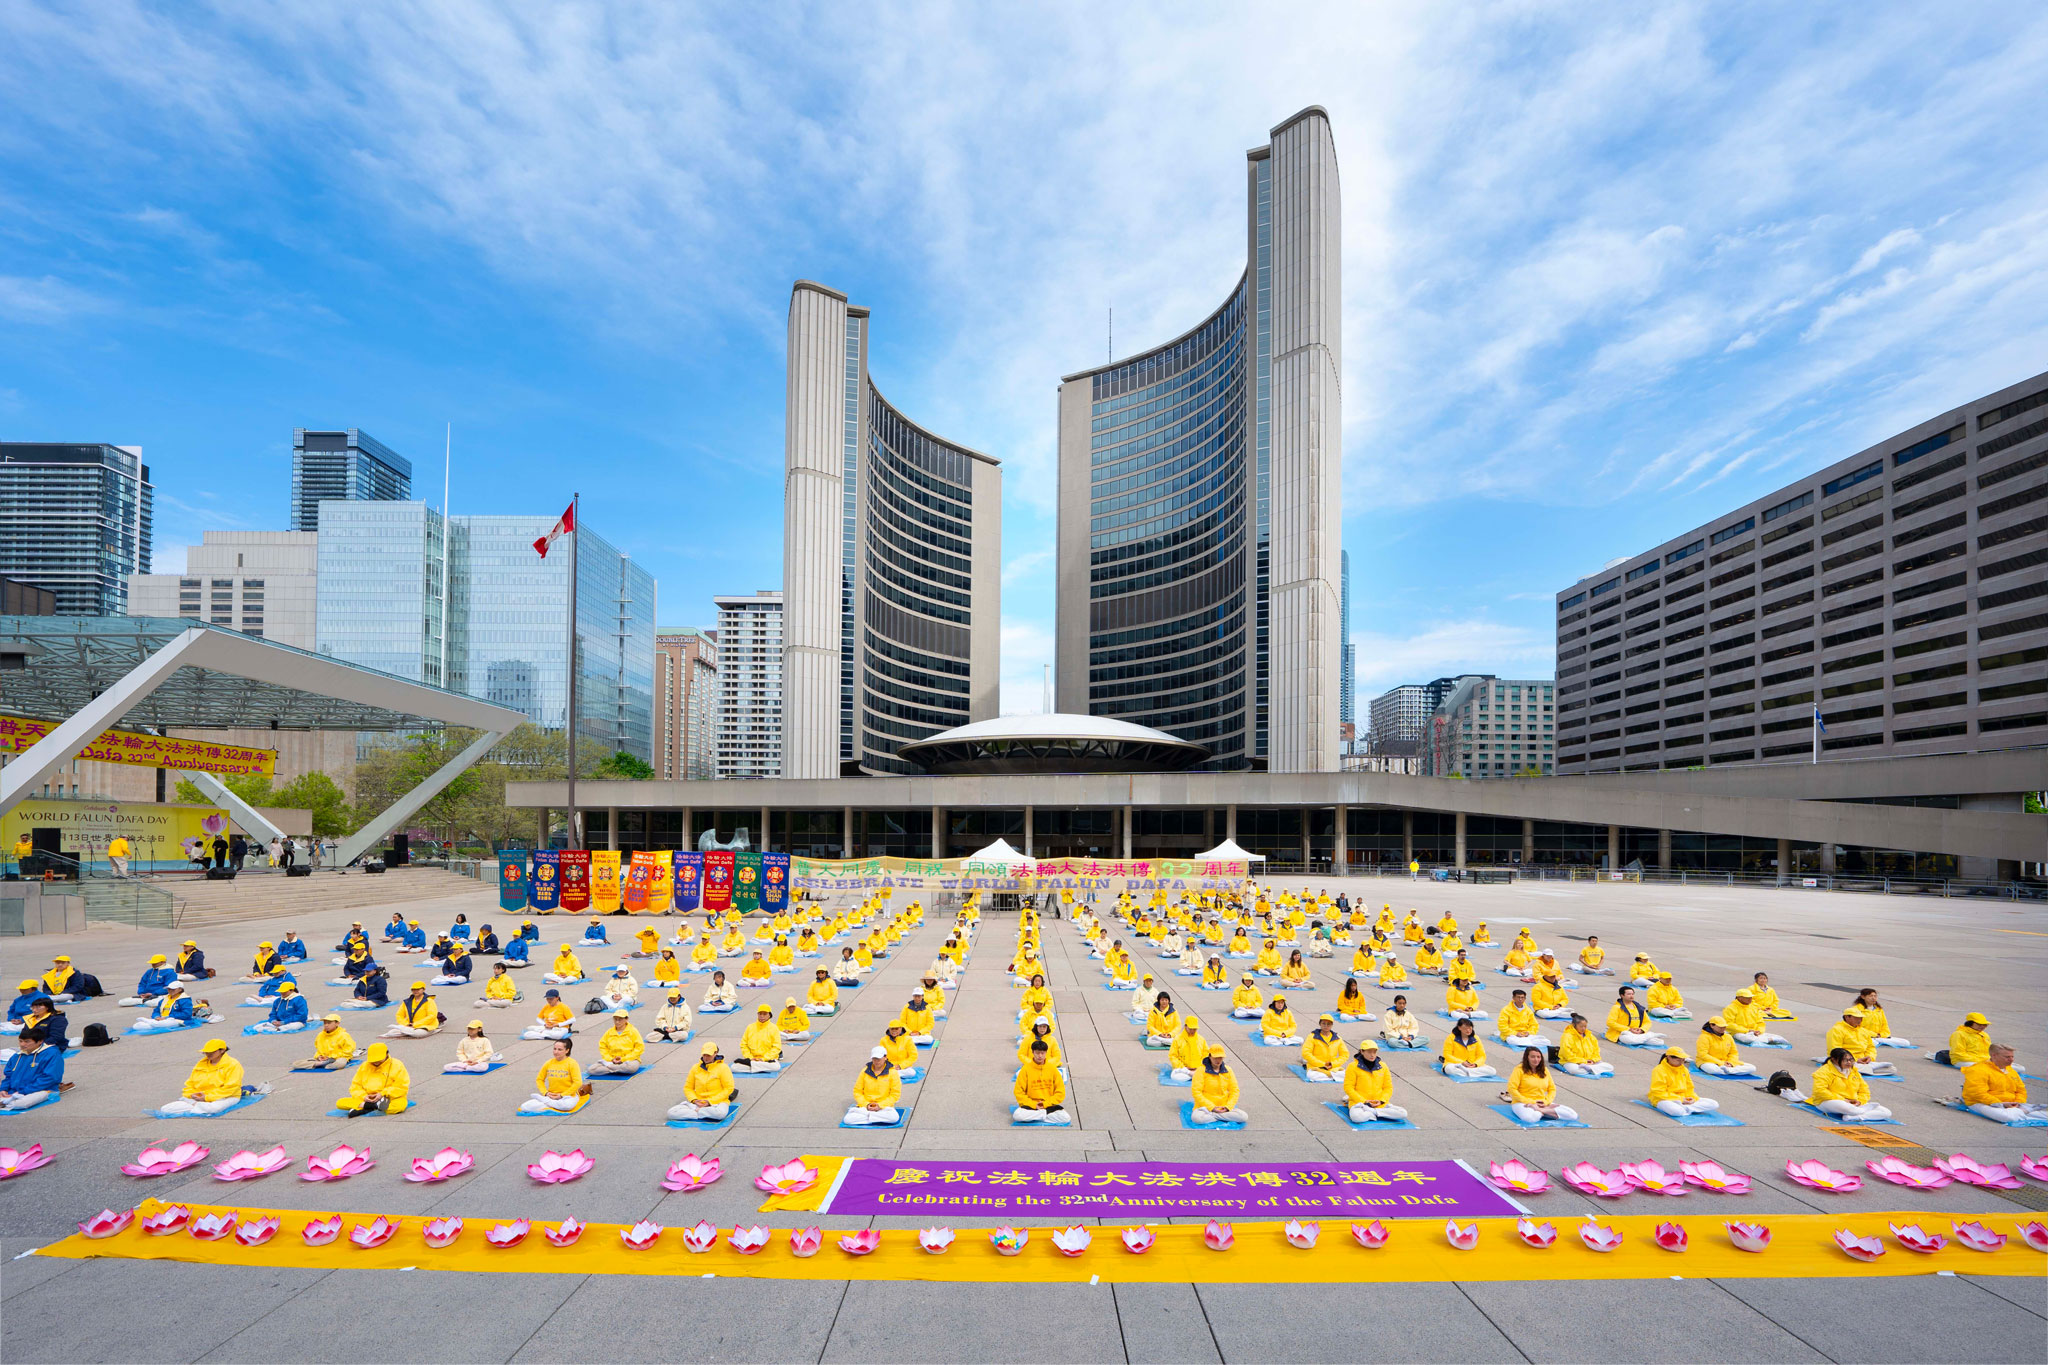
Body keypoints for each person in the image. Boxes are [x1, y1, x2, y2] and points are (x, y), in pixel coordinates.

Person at [1795, 1047, 1892, 1122]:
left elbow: (1864, 1090)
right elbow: (1820, 1091)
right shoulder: (1823, 1072)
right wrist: (1844, 1100)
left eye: (1851, 1060)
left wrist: (1860, 1101)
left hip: (1853, 1103)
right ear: (1834, 1060)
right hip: (1829, 1101)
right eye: (1846, 1060)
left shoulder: (1853, 1071)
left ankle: (1855, 1116)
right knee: (1846, 1107)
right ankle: (1862, 1110)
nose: (1849, 1063)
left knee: (1887, 1112)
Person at [158, 1040, 247, 1116]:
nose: (208, 1054)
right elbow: (190, 1083)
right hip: (200, 1097)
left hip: (225, 1097)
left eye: (211, 1052)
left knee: (213, 1109)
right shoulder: (201, 1064)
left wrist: (207, 1098)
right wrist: (191, 1094)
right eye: (206, 1052)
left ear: (222, 1051)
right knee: (165, 1109)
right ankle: (197, 1106)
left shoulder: (233, 1064)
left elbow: (231, 1088)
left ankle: (194, 1105)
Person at [1962, 1044, 2045, 1124]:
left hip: (2010, 1105)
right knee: (2008, 1117)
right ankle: (2024, 1111)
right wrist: (2000, 1104)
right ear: (1994, 1055)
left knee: (2016, 1115)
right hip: (1984, 1103)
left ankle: (2021, 1111)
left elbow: (2021, 1090)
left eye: (2012, 1057)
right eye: (2007, 1057)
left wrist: (2018, 1102)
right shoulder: (1978, 1070)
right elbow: (1977, 1094)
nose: (2011, 1059)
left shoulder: (2011, 1070)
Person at [1501, 1046, 1578, 1123]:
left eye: (1538, 1057)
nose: (1536, 1059)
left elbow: (1552, 1089)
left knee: (1572, 1115)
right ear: (1527, 1057)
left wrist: (1546, 1102)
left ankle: (1541, 1111)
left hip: (1541, 1104)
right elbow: (1512, 1089)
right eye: (1533, 1057)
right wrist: (1529, 1102)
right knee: (1531, 1119)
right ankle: (1546, 1112)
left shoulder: (1544, 1070)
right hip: (1523, 1103)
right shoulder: (1519, 1069)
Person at [668, 1039, 736, 1122]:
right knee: (671, 1113)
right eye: (704, 1055)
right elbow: (688, 1088)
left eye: (709, 1055)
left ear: (715, 1053)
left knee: (720, 1114)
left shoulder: (723, 1068)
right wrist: (694, 1100)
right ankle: (700, 1113)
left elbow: (729, 1089)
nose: (706, 1058)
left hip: (717, 1102)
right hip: (698, 1103)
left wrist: (710, 1101)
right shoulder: (695, 1068)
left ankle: (696, 1113)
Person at [517, 1039, 589, 1115]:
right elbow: (539, 1079)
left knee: (567, 1106)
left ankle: (546, 1102)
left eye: (559, 1049)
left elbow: (578, 1083)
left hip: (568, 1097)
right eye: (554, 1049)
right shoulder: (548, 1063)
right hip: (550, 1096)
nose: (556, 1052)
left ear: (567, 1051)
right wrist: (546, 1093)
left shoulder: (572, 1063)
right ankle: (550, 1102)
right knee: (524, 1107)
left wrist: (562, 1095)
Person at [0, 1028, 64, 1110]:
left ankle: (6, 1101)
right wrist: (3, 1089)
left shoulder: (52, 1054)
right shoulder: (17, 1055)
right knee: (7, 1099)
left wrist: (23, 1092)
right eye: (20, 1041)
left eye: (27, 1041)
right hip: (15, 1091)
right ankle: (6, 1100)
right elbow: (8, 1076)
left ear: (40, 1041)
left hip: (42, 1090)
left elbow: (50, 1078)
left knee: (19, 1104)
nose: (22, 1044)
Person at [1647, 1047, 1719, 1117]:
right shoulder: (1659, 1070)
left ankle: (1686, 1109)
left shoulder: (1684, 1069)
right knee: (1677, 1111)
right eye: (1678, 1060)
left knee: (1714, 1104)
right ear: (1669, 1057)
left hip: (1683, 1098)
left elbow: (1689, 1087)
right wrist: (1680, 1099)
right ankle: (1686, 1109)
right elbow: (1658, 1092)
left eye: (1683, 1060)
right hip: (1664, 1099)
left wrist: (1692, 1098)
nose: (1681, 1062)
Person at [1825, 1008, 1896, 1076]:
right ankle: (1864, 1069)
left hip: (1863, 1061)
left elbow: (1870, 1047)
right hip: (1846, 1061)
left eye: (1861, 1018)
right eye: (1856, 1018)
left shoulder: (1863, 1031)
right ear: (1847, 1017)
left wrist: (1870, 1057)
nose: (1860, 1020)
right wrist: (1854, 1060)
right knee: (1859, 1068)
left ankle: (1867, 1069)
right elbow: (1835, 1051)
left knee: (1892, 1069)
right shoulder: (1836, 1030)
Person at [1189, 1044, 1246, 1125]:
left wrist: (1228, 1107)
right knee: (1197, 1118)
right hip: (1205, 1108)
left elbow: (1235, 1091)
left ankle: (1215, 1116)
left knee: (1243, 1116)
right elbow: (1196, 1092)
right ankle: (1221, 1116)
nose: (1218, 1060)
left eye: (1220, 1057)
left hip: (1223, 1107)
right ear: (1210, 1056)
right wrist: (1212, 1107)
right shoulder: (1201, 1070)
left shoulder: (1228, 1070)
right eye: (1215, 1057)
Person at [846, 1047, 903, 1126]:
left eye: (879, 1059)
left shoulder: (893, 1073)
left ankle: (869, 1118)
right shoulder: (864, 1071)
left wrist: (880, 1105)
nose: (876, 1061)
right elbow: (857, 1091)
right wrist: (866, 1104)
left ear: (885, 1057)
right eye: (874, 1059)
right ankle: (875, 1118)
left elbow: (895, 1095)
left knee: (894, 1118)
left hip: (884, 1107)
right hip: (866, 1107)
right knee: (848, 1120)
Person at [1720, 989, 1787, 1046]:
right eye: (1747, 997)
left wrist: (1759, 1031)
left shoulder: (1753, 1008)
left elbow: (1760, 1022)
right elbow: (1729, 1024)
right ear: (1739, 998)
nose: (1750, 999)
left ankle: (1766, 1039)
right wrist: (1747, 1030)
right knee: (1747, 1039)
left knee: (1778, 1037)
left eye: (1751, 997)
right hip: (1738, 1032)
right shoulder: (1730, 1008)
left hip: (1754, 1032)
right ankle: (1768, 1040)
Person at [1555, 1012, 1613, 1077]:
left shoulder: (1590, 1036)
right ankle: (1593, 1069)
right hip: (1572, 1062)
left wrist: (1593, 1060)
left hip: (1590, 1063)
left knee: (1610, 1067)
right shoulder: (1567, 1036)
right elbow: (1567, 1055)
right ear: (1574, 1025)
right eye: (1581, 1026)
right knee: (1575, 1070)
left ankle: (1590, 1069)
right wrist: (1583, 1061)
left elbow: (1596, 1051)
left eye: (1585, 1026)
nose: (1583, 1028)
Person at [293, 1014, 358, 1070]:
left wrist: (333, 1057)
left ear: (337, 1023)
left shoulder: (343, 1035)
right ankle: (319, 1064)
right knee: (296, 1064)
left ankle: (322, 1065)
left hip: (338, 1058)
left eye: (329, 1023)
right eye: (325, 1023)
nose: (326, 1025)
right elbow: (318, 1049)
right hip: (324, 1059)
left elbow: (349, 1051)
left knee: (340, 1064)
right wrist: (319, 1057)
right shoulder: (320, 1035)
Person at [733, 1004, 784, 1073]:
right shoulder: (750, 1027)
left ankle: (752, 1066)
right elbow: (743, 1045)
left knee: (776, 1067)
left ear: (769, 1015)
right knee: (734, 1068)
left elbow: (777, 1047)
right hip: (752, 1059)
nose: (762, 1016)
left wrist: (764, 1059)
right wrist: (750, 1057)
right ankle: (757, 1067)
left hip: (766, 1061)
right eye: (760, 1014)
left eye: (764, 1014)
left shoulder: (774, 1028)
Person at [591, 1010, 645, 1075]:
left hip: (629, 1060)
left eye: (620, 1019)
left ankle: (612, 1068)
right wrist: (610, 1059)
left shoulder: (633, 1031)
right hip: (612, 1060)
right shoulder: (609, 1032)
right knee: (591, 1069)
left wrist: (624, 1059)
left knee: (630, 1068)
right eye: (615, 1019)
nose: (617, 1022)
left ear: (626, 1019)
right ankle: (617, 1069)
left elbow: (639, 1048)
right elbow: (602, 1046)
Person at [130, 982, 198, 1032]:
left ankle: (150, 1022)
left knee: (166, 1023)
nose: (170, 991)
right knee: (137, 1026)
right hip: (161, 1019)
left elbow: (186, 1014)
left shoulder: (185, 1000)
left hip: (177, 1020)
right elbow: (156, 1010)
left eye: (173, 989)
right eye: (169, 989)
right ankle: (151, 1022)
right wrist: (156, 1017)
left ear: (180, 989)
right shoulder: (165, 999)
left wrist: (167, 1017)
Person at [1301, 1014, 1347, 1080]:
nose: (1326, 1026)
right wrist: (1322, 1064)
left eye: (1328, 1024)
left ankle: (1329, 1077)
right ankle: (1333, 1077)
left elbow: (1345, 1055)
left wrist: (1333, 1064)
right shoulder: (1312, 1036)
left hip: (1332, 1067)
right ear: (1320, 1024)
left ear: (1331, 1025)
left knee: (1347, 1074)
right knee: (1311, 1076)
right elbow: (1306, 1053)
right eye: (1324, 1023)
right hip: (1316, 1066)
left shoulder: (1338, 1038)